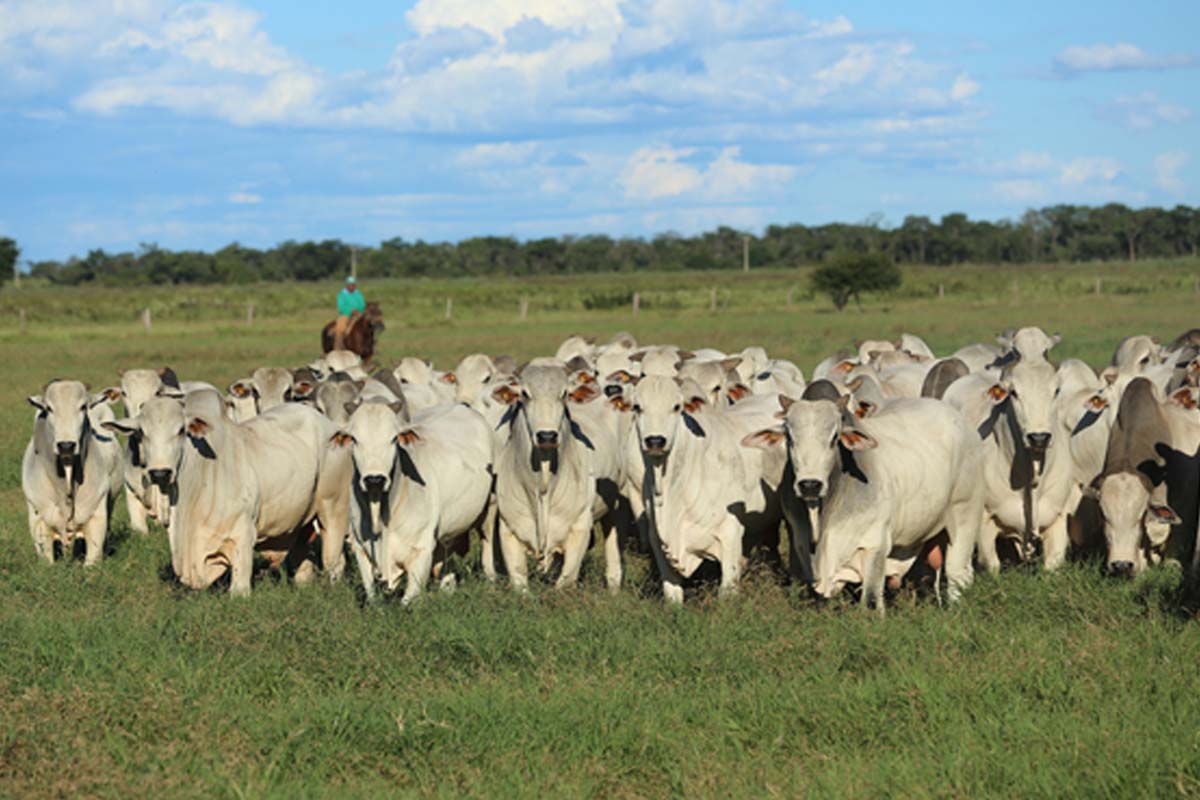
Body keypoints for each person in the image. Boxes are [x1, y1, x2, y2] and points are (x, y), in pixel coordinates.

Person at [334, 275, 365, 350]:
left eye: (354, 285)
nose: (352, 287)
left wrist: (358, 311)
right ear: (347, 286)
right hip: (346, 315)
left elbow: (362, 304)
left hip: (358, 315)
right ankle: (338, 347)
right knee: (340, 329)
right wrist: (351, 310)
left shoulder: (358, 294)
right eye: (350, 285)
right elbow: (341, 306)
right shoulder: (341, 294)